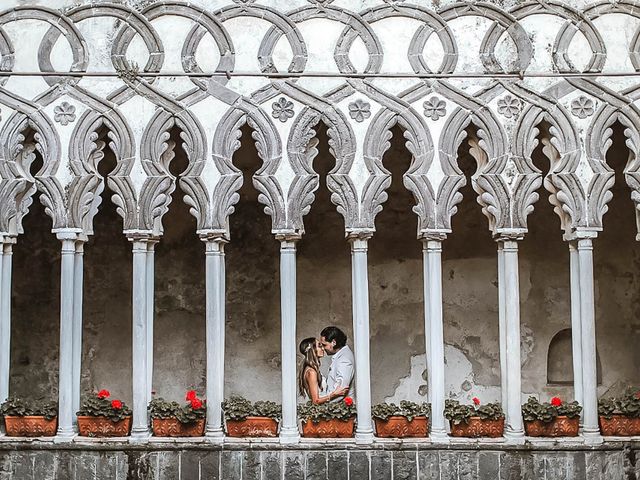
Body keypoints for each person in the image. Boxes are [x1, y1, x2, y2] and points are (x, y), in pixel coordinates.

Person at [298, 337, 349, 404]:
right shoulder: (311, 372)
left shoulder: (311, 369)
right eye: (319, 346)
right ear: (312, 350)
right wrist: (335, 394)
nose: (323, 349)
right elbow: (315, 401)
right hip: (319, 411)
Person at [320, 326, 355, 400]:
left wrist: (324, 403)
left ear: (334, 342)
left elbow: (341, 392)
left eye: (324, 345)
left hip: (340, 409)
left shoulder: (344, 360)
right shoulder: (341, 356)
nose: (322, 348)